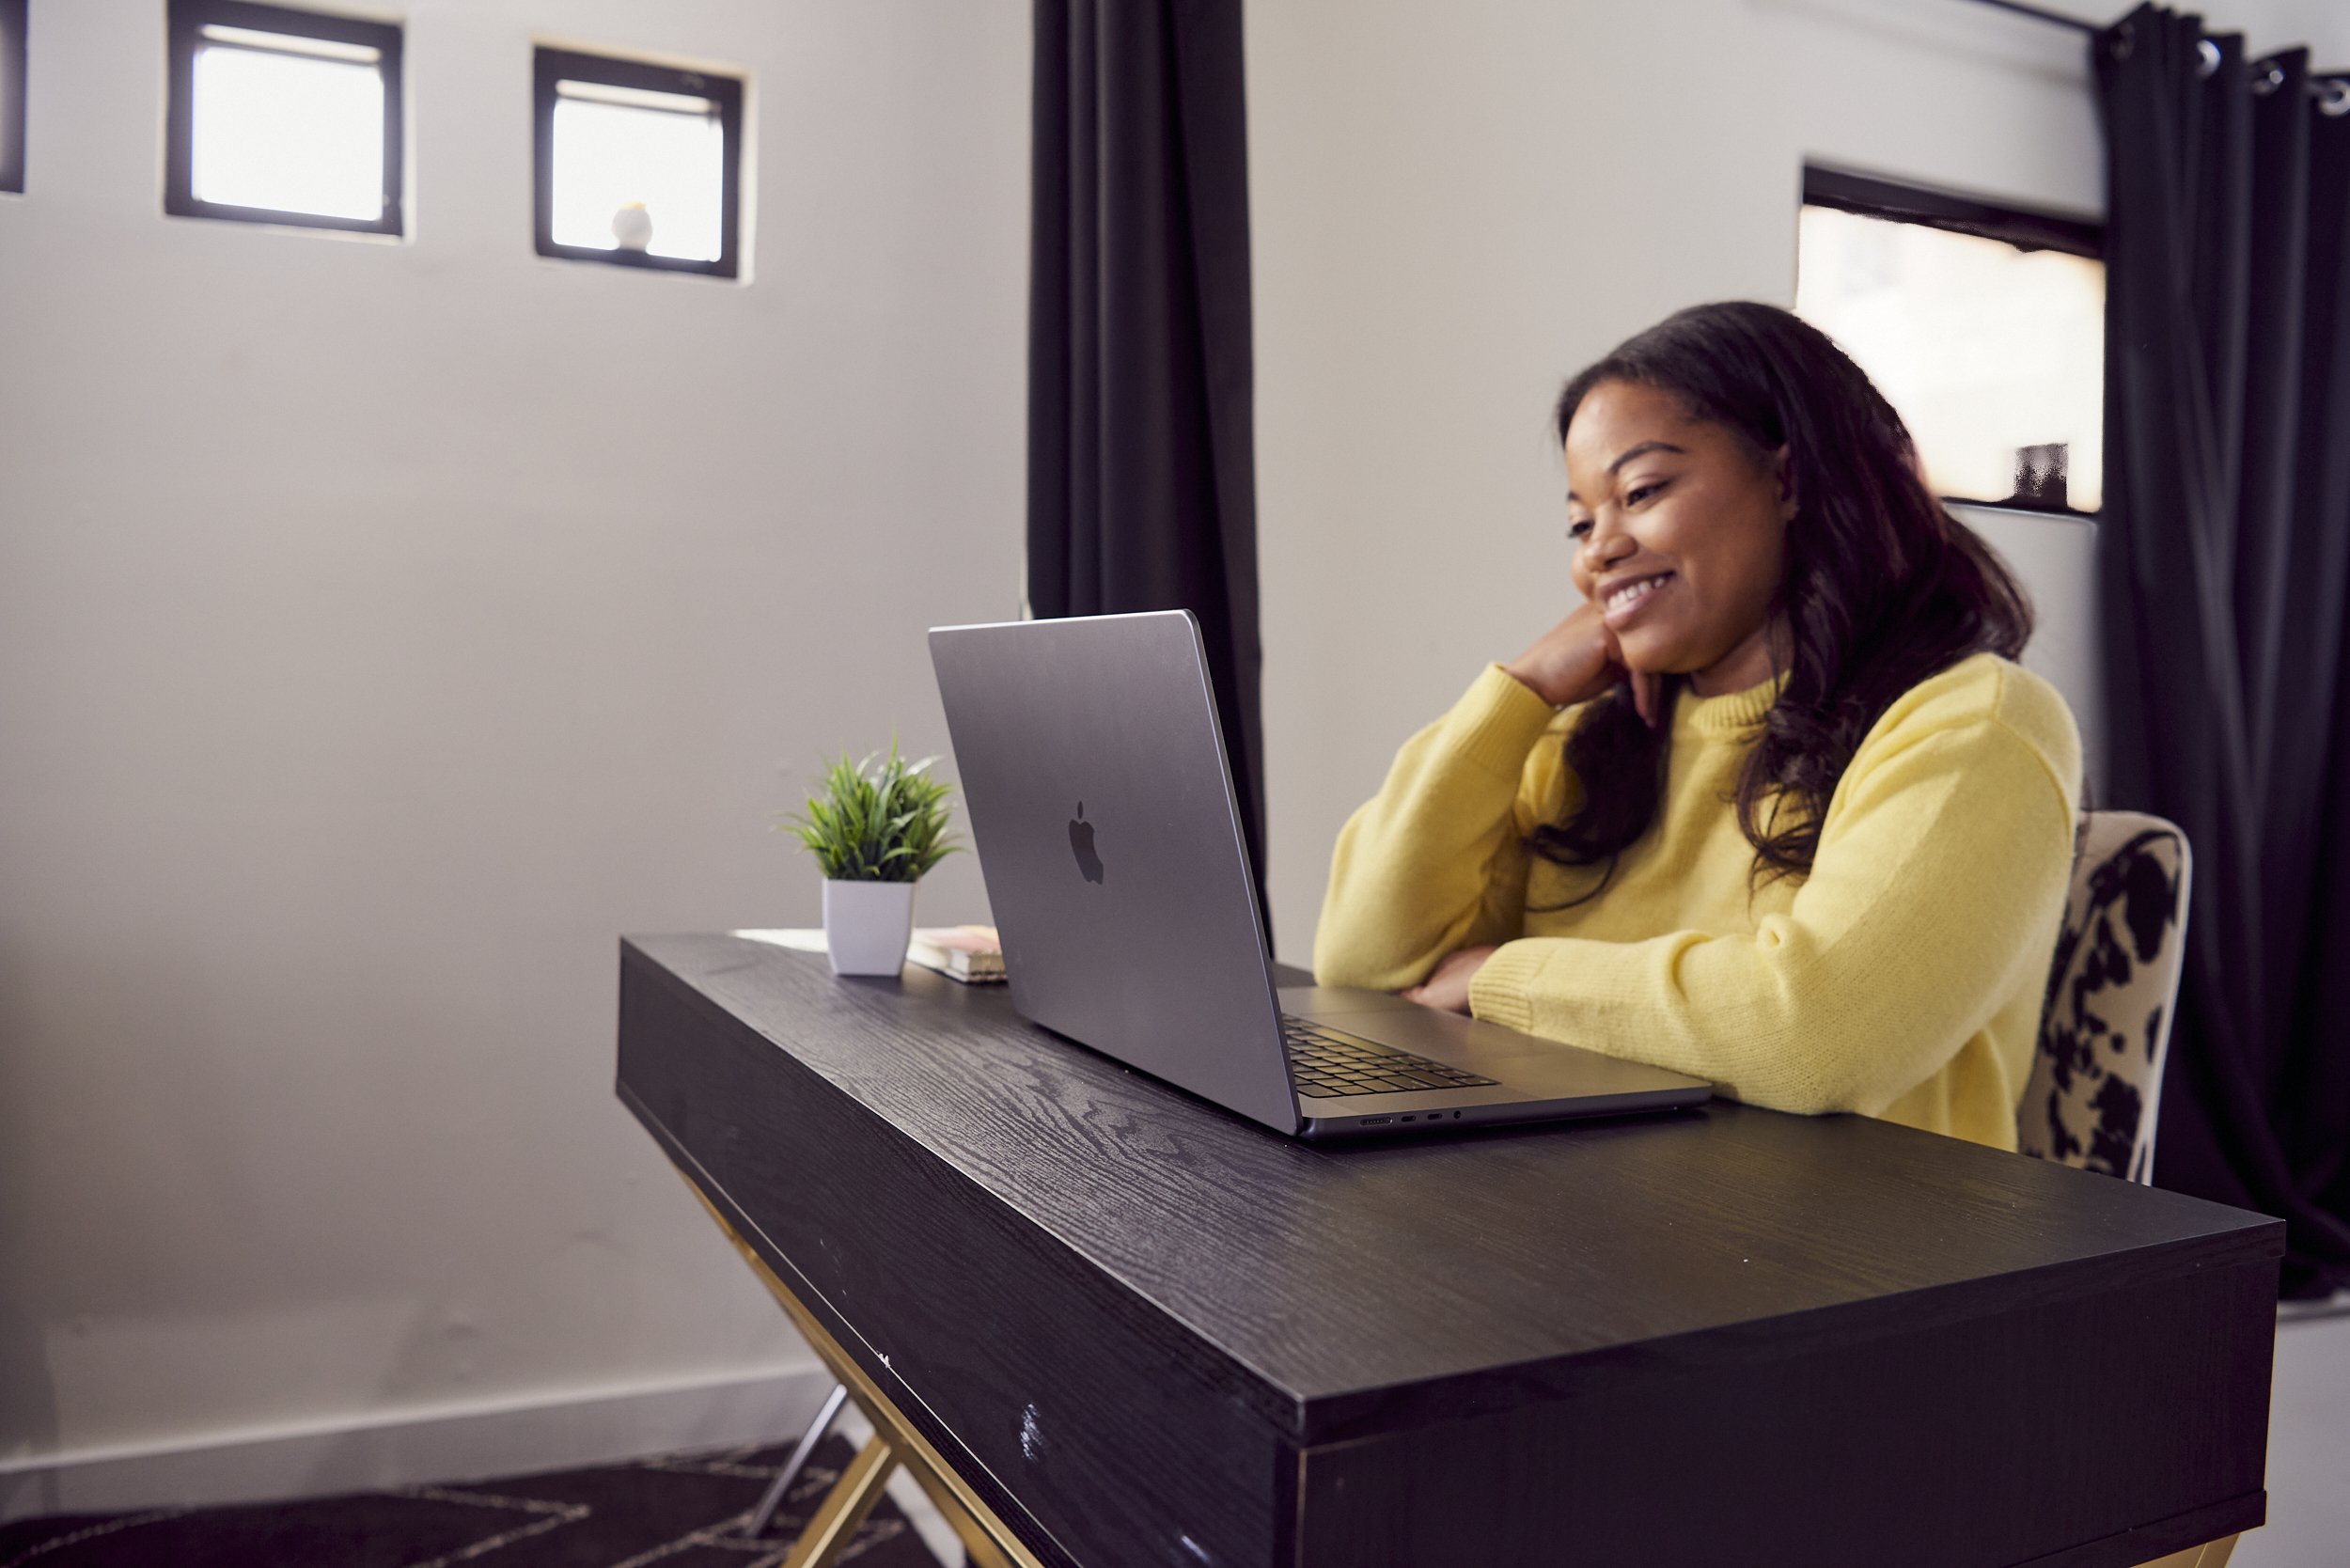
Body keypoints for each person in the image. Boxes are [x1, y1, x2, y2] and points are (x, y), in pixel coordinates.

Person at [1311, 301, 2081, 1151]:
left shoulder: (1973, 722)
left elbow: (1817, 1036)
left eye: (1640, 492)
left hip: (1863, 1256)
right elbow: (1364, 967)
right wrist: (1519, 694)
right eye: (1579, 521)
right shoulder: (1587, 744)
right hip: (1591, 1220)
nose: (1596, 551)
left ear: (1788, 481)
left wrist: (1500, 979)